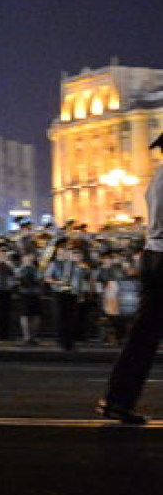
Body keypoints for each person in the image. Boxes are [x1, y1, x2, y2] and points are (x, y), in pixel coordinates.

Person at [99, 152, 163, 424]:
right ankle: (117, 400)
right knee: (144, 336)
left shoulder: (158, 176)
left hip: (153, 255)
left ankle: (117, 399)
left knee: (143, 336)